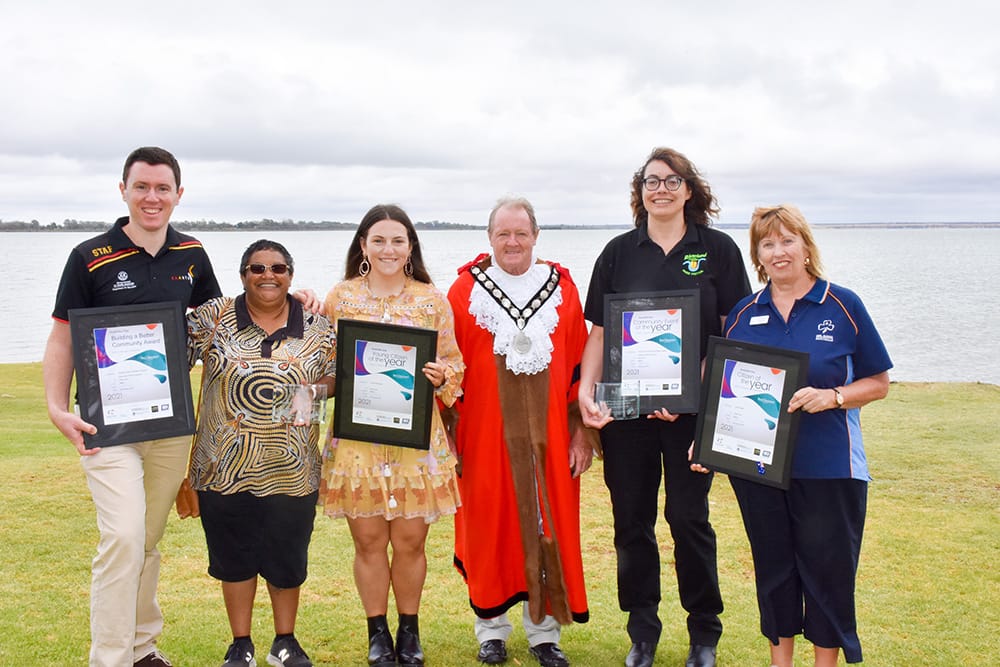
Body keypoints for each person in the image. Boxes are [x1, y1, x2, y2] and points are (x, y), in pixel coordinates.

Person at [43, 146, 222, 667]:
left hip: (169, 426)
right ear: (123, 190)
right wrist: (57, 408)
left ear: (178, 195)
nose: (152, 197)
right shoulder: (89, 256)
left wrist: (292, 298)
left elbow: (220, 324)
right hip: (107, 424)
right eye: (142, 186)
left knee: (147, 537)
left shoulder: (192, 255)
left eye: (162, 188)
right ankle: (111, 658)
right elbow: (60, 339)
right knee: (122, 536)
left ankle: (143, 647)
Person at [578, 147, 752, 667]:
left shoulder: (717, 250)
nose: (661, 189)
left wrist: (690, 393)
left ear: (689, 190)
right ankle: (643, 632)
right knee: (631, 522)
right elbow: (601, 333)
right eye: (651, 181)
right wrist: (586, 392)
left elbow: (730, 332)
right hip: (626, 414)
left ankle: (704, 633)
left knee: (688, 518)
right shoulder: (617, 252)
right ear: (640, 191)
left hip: (692, 417)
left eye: (671, 181)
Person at [722, 205, 891, 667]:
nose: (779, 252)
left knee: (827, 573)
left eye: (787, 241)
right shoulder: (743, 313)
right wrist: (708, 439)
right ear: (757, 254)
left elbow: (878, 383)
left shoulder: (843, 305)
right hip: (758, 469)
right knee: (774, 572)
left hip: (830, 465)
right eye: (768, 244)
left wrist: (833, 396)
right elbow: (727, 389)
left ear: (805, 246)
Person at [447, 197, 596, 667]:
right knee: (489, 524)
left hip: (550, 438)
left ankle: (544, 631)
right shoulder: (461, 292)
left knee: (547, 523)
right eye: (503, 234)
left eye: (521, 233)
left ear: (536, 236)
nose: (512, 242)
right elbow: (448, 370)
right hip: (484, 435)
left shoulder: (564, 291)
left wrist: (581, 434)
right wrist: (449, 434)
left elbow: (578, 370)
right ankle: (490, 628)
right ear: (489, 238)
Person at [319, 204, 464, 667]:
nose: (388, 249)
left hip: (415, 443)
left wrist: (442, 376)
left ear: (410, 247)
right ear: (363, 245)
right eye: (378, 240)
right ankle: (376, 632)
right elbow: (324, 363)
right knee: (367, 543)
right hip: (358, 442)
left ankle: (409, 629)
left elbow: (456, 367)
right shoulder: (339, 299)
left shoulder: (432, 300)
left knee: (410, 543)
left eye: (397, 240)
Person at [187, 240, 336, 667]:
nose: (267, 275)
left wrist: (313, 392)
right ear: (242, 275)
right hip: (222, 466)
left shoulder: (317, 325)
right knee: (233, 558)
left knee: (287, 559)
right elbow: (169, 345)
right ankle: (241, 643)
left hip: (293, 468)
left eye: (278, 268)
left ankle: (285, 641)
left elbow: (338, 375)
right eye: (257, 268)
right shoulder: (214, 319)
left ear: (291, 274)